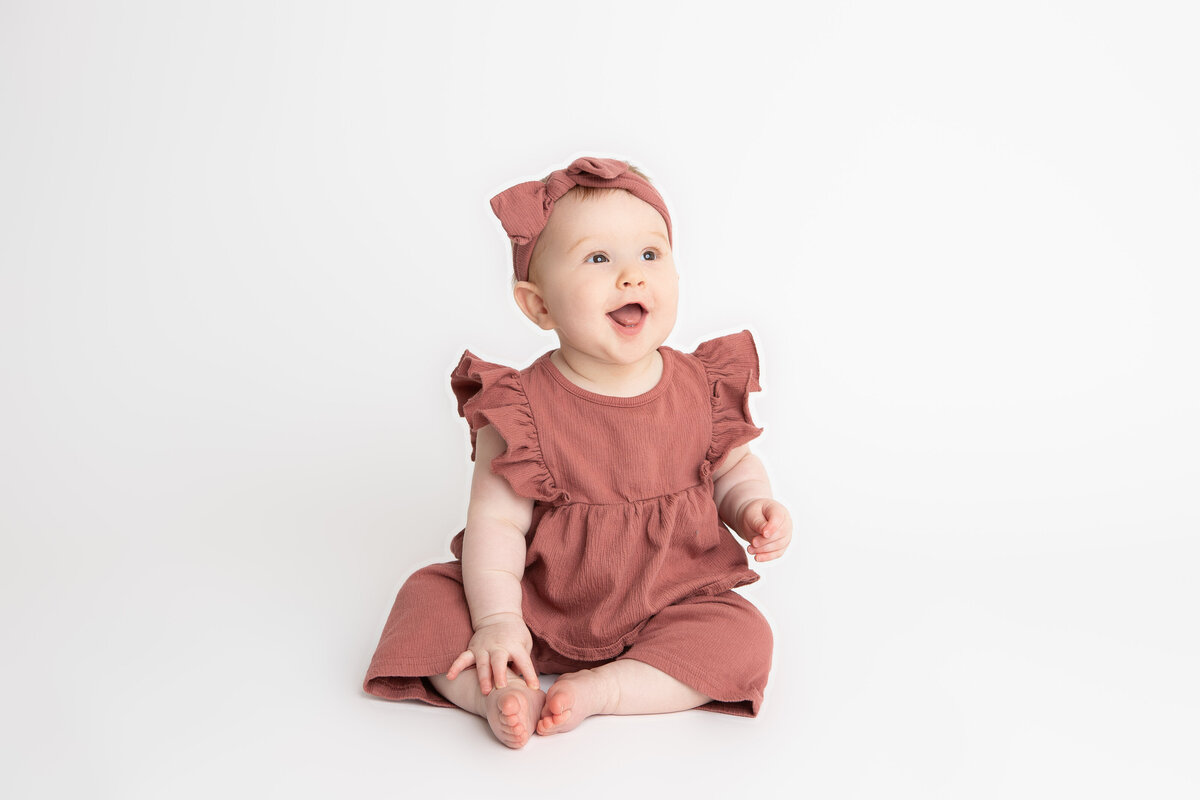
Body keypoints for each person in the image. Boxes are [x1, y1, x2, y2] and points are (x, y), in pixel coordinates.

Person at [363, 156, 794, 749]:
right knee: (428, 598)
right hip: (539, 605)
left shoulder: (702, 388)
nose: (631, 277)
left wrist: (753, 507)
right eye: (599, 259)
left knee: (743, 637)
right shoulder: (520, 409)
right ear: (539, 306)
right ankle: (498, 690)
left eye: (650, 255)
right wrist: (497, 622)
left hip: (669, 600)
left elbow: (733, 468)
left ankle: (609, 689)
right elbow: (495, 524)